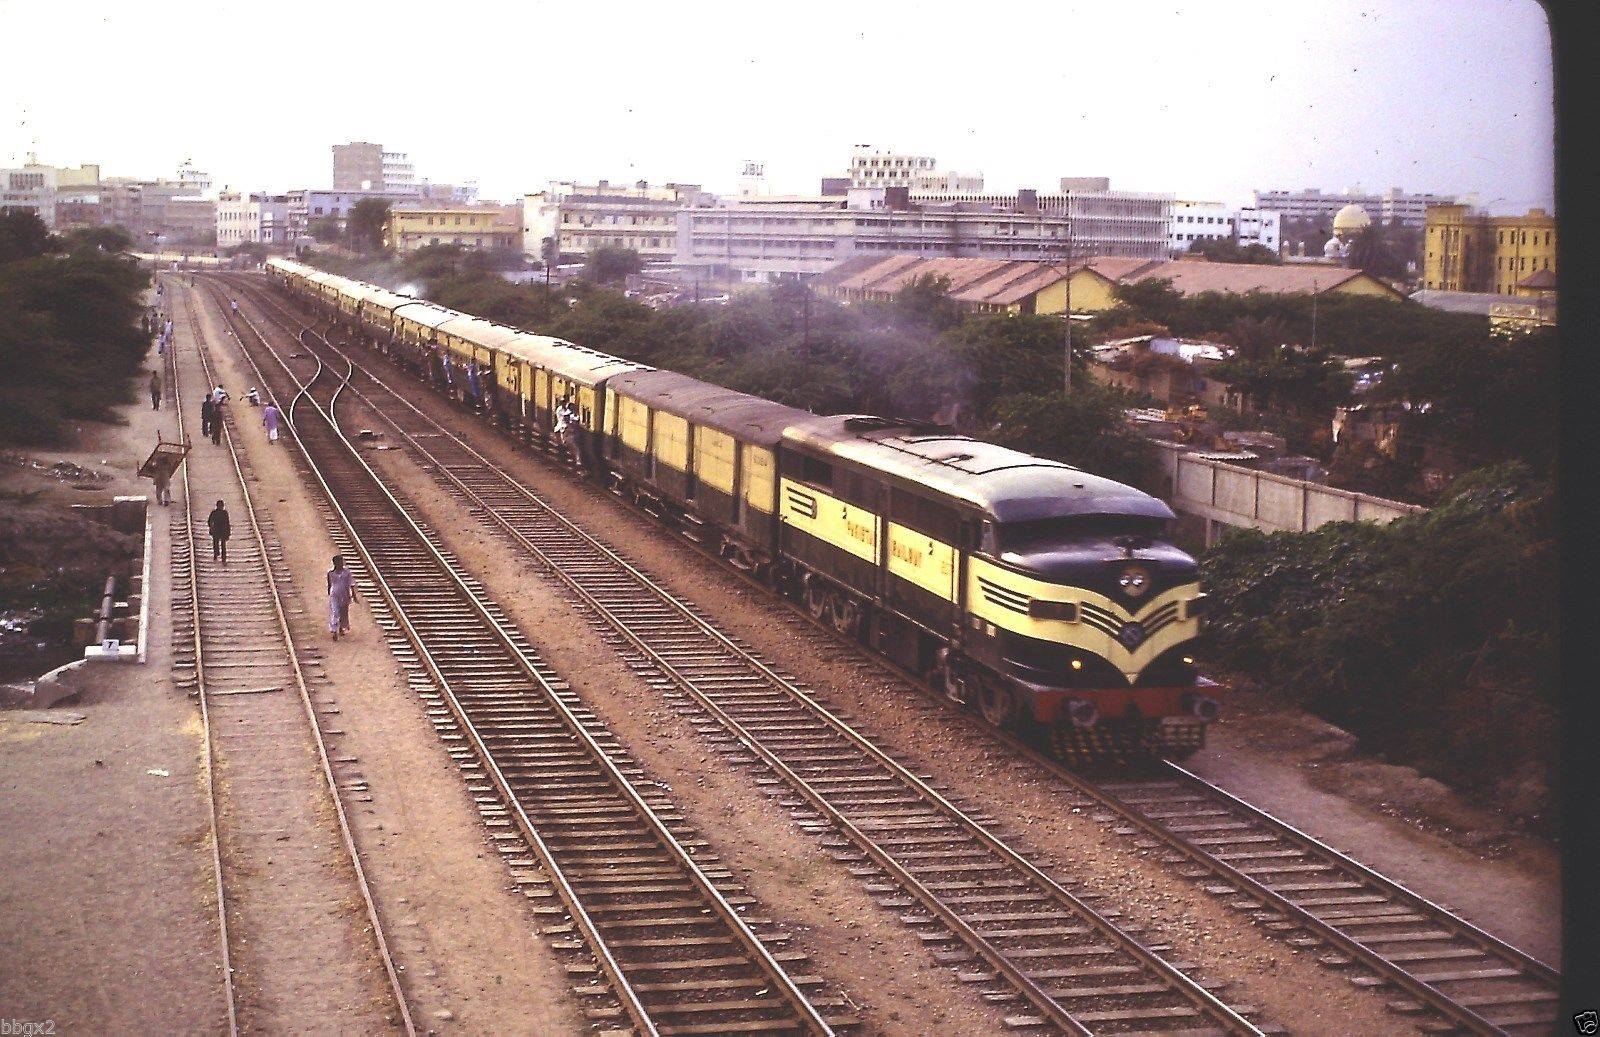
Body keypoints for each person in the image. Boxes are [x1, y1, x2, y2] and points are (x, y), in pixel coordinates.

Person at [326, 555, 357, 640]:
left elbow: (351, 583)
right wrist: (329, 592)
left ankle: (341, 628)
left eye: (341, 562)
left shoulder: (347, 572)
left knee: (343, 612)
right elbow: (329, 583)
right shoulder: (330, 572)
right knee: (335, 612)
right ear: (335, 563)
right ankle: (334, 630)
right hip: (335, 594)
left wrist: (353, 594)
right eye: (339, 562)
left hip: (345, 594)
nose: (341, 564)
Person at [207, 501, 230, 566]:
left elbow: (209, 521)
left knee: (216, 543)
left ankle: (216, 555)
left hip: (216, 530)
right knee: (223, 545)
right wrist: (228, 533)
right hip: (222, 531)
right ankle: (223, 559)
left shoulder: (214, 512)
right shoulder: (224, 513)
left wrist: (211, 527)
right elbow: (227, 524)